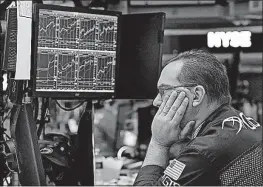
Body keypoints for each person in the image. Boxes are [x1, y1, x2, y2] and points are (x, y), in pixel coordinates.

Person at [133, 49, 262, 186]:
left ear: (196, 96)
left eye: (164, 91)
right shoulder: (238, 123)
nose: (156, 101)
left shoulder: (204, 150)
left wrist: (159, 143)